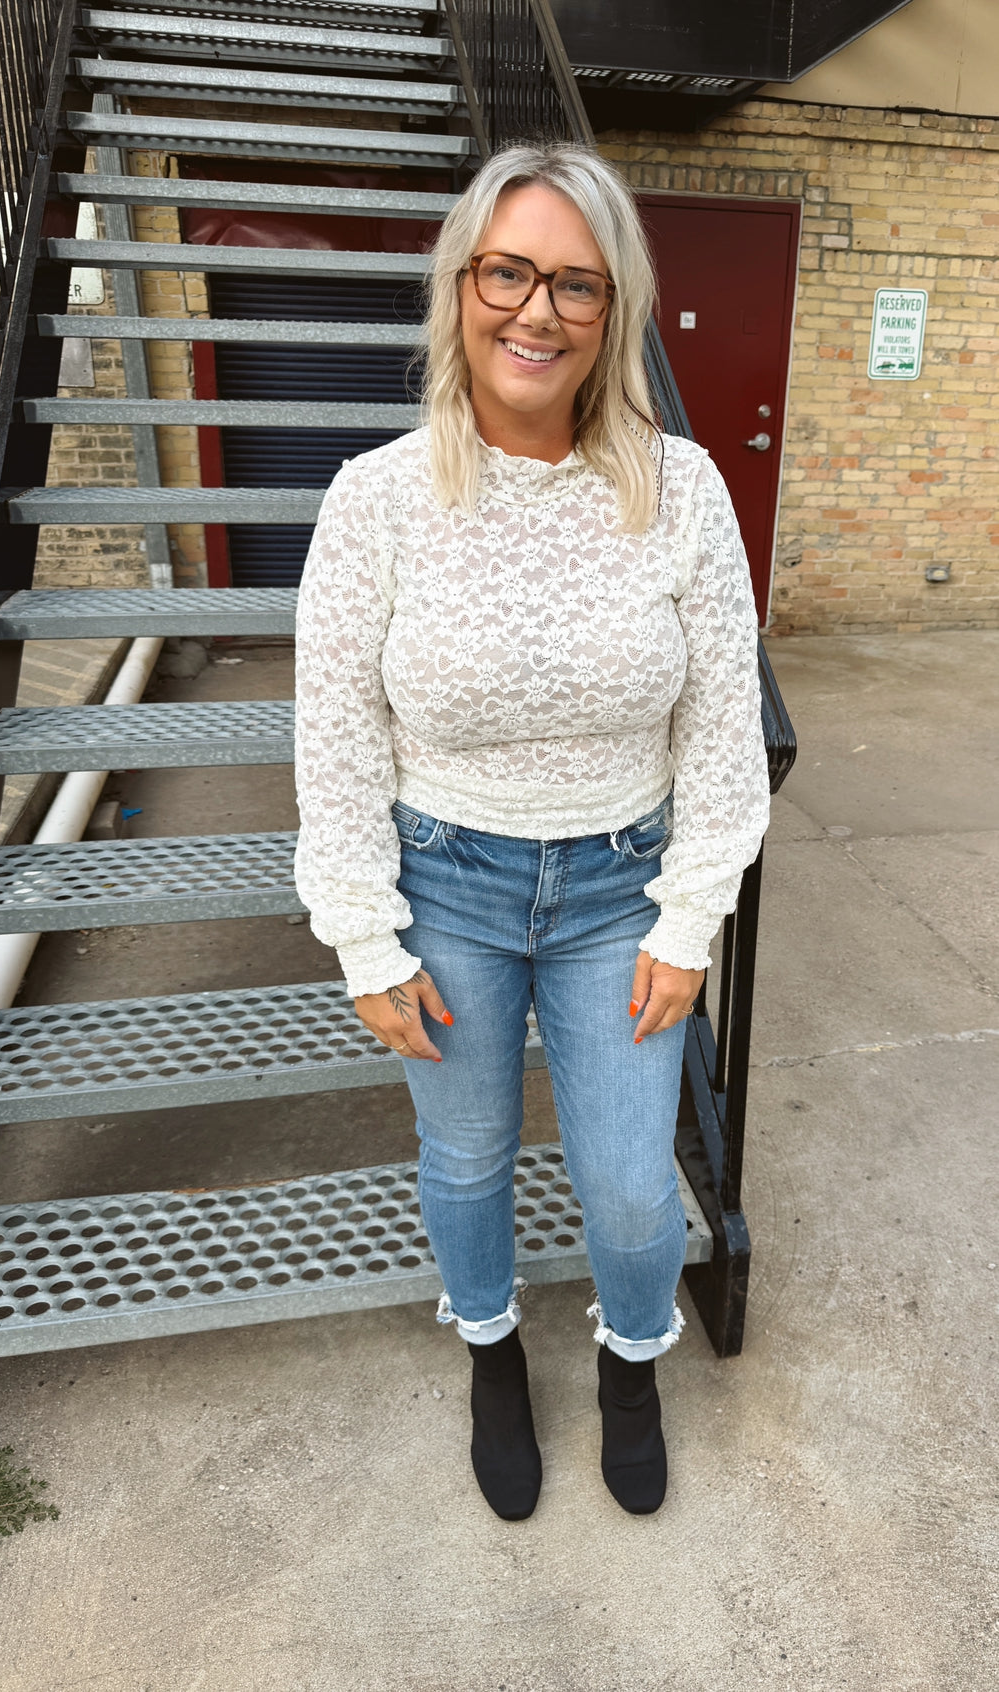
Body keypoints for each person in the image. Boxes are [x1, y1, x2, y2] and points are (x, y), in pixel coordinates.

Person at [294, 143, 770, 1522]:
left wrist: (690, 919)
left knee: (629, 1187)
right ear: (459, 289)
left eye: (575, 281)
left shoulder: (678, 489)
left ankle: (629, 1367)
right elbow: (334, 734)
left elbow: (721, 731)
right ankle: (491, 1354)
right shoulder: (375, 500)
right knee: (464, 1157)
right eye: (508, 271)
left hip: (621, 886)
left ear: (612, 310)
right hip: (442, 880)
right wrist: (363, 936)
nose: (537, 310)